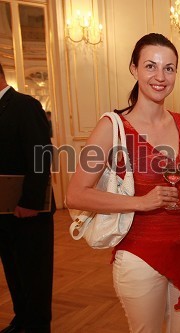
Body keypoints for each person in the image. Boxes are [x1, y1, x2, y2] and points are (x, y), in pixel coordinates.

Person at [66, 33, 180, 333]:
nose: (160, 76)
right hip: (139, 254)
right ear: (134, 69)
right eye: (150, 66)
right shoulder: (112, 127)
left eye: (169, 68)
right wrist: (141, 202)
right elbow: (75, 195)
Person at [0, 62, 54, 333]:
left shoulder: (24, 105)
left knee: (34, 273)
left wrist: (30, 202)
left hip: (29, 210)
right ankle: (21, 319)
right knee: (13, 270)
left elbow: (41, 154)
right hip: (3, 210)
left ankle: (37, 326)